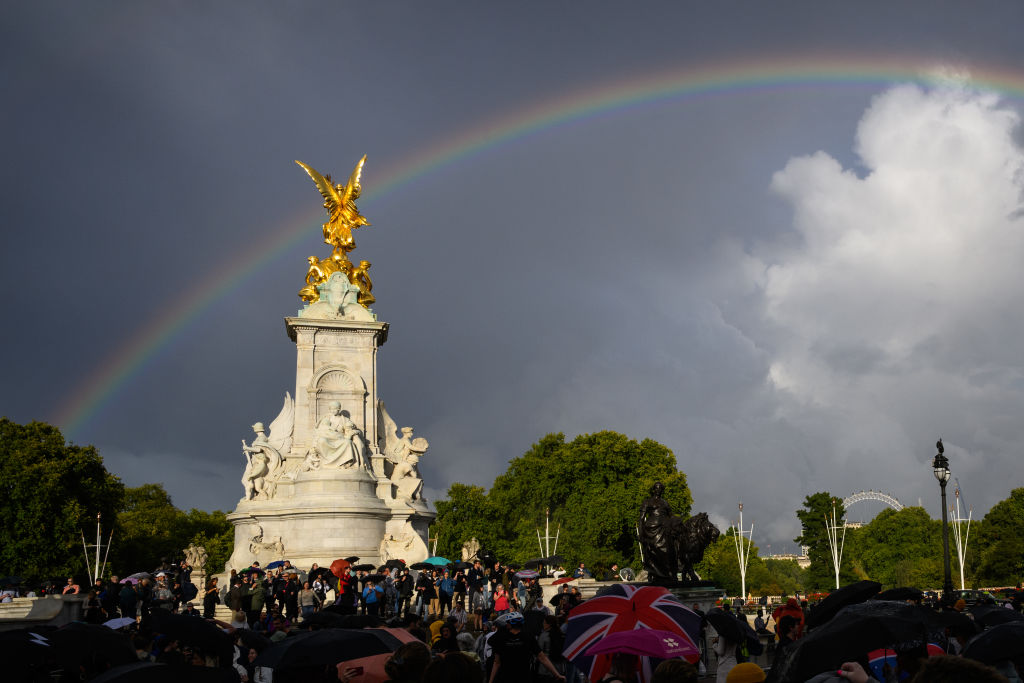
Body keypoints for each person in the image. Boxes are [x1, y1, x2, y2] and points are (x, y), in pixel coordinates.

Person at [488, 611, 565, 683]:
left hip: (505, 677)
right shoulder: (528, 637)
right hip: (524, 677)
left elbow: (496, 662)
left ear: (509, 624)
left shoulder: (501, 638)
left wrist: (490, 681)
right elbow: (542, 657)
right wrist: (557, 675)